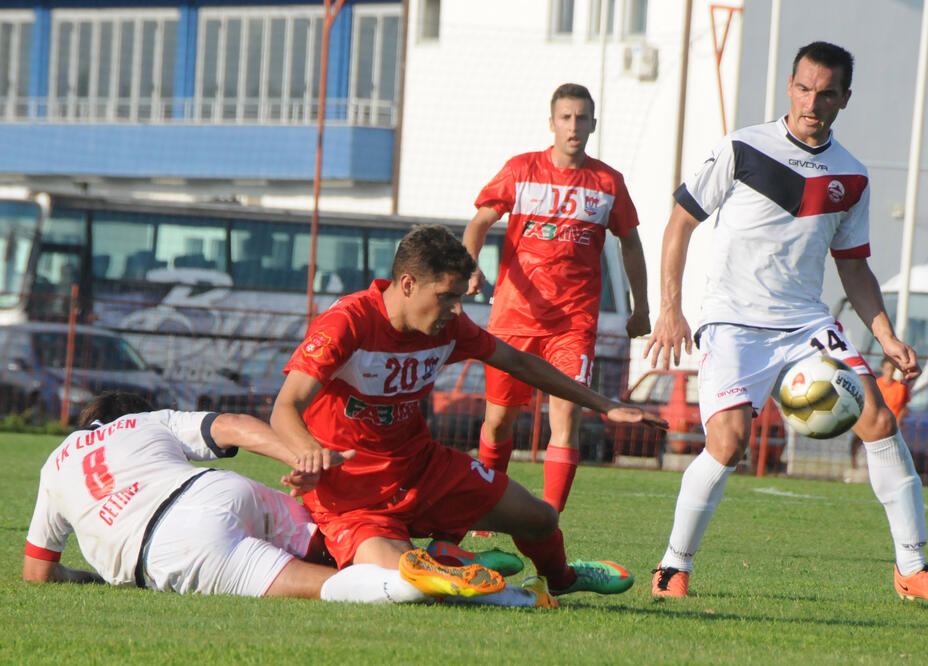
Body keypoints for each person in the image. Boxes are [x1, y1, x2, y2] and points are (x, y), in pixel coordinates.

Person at [643, 42, 928, 610]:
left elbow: (854, 267)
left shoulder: (852, 175)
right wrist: (670, 308)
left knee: (877, 418)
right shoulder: (743, 146)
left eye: (825, 93)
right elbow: (679, 223)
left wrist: (887, 336)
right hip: (733, 322)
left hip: (804, 324)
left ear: (844, 98)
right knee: (729, 443)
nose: (811, 102)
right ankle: (674, 563)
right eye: (803, 88)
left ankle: (913, 568)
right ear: (789, 86)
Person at [271, 224, 665, 602]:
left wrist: (606, 405)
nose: (456, 309)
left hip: (422, 470)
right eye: (446, 296)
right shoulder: (348, 323)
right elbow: (285, 408)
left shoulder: (448, 328)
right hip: (353, 495)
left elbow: (521, 363)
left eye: (460, 297)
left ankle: (562, 579)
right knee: (408, 582)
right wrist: (309, 452)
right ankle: (453, 561)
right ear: (408, 284)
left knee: (540, 518)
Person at [23, 391, 519, 606]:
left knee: (332, 587)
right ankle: (441, 556)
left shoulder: (53, 467)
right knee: (337, 538)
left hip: (170, 551)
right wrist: (304, 458)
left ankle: (436, 585)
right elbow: (236, 427)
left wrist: (85, 574)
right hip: (215, 489)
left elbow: (38, 573)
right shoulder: (144, 421)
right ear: (124, 415)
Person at [462, 82, 651, 513]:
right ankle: (488, 511)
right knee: (498, 421)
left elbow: (632, 244)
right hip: (514, 318)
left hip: (572, 325)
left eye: (582, 118)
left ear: (593, 124)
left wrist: (641, 307)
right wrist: (470, 265)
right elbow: (478, 223)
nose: (573, 126)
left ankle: (547, 523)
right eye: (565, 117)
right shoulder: (521, 170)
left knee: (565, 420)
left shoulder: (607, 183)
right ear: (551, 123)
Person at [852, 357, 912, 467]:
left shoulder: (900, 387)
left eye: (892, 369)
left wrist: (898, 422)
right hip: (874, 424)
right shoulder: (875, 385)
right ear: (883, 369)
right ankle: (859, 467)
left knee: (894, 453)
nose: (890, 372)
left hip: (893, 426)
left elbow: (904, 407)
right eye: (888, 368)